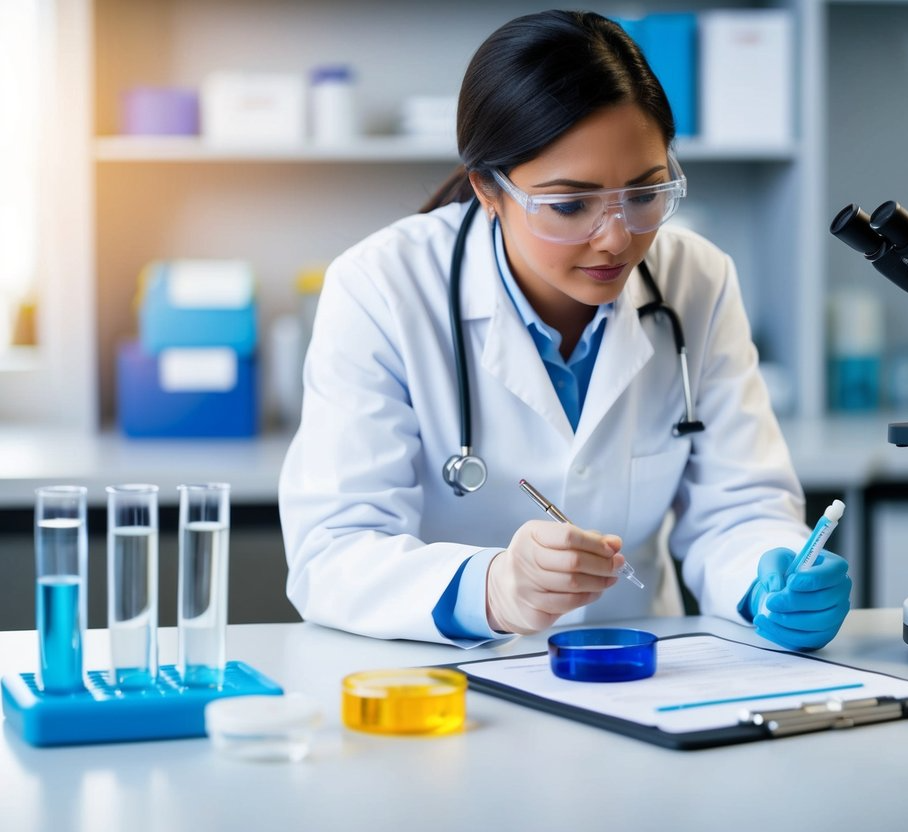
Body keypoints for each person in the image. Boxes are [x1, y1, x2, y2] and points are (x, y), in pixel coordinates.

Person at [278, 10, 850, 650]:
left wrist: (768, 577)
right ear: (489, 191)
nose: (616, 238)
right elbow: (333, 551)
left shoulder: (697, 279)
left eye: (644, 193)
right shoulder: (381, 285)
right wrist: (492, 588)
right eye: (570, 204)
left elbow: (738, 509)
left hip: (636, 672)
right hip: (448, 689)